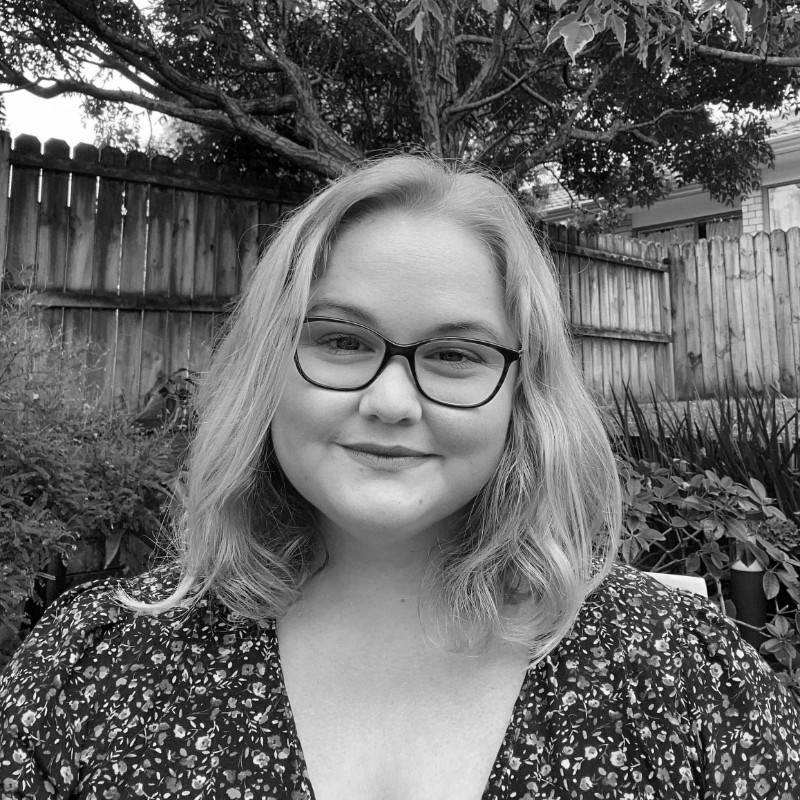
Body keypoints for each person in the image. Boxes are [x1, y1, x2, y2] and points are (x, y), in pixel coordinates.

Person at [1, 155, 798, 800]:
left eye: (456, 355)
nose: (390, 401)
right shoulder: (90, 665)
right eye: (342, 341)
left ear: (523, 395)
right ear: (266, 368)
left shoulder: (682, 676)